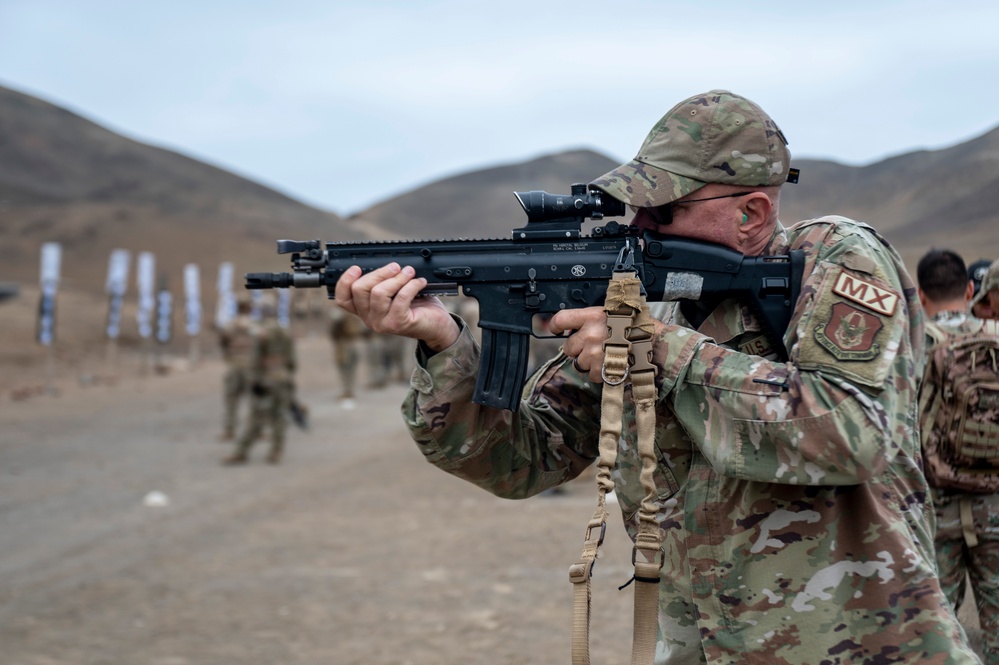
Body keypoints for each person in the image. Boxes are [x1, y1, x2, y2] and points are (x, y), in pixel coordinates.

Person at [334, 90, 980, 663]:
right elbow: (519, 461)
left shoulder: (830, 259)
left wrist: (658, 349)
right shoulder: (644, 304)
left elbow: (851, 432)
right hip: (701, 640)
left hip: (862, 640)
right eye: (632, 207)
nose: (637, 224)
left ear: (751, 212)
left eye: (659, 209)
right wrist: (445, 343)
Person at [917, 249, 999, 664]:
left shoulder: (914, 347)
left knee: (938, 632)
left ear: (920, 295)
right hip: (996, 504)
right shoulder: (996, 338)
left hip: (935, 510)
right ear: (970, 289)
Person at [223, 299, 297, 465]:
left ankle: (241, 451)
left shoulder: (260, 333)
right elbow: (292, 359)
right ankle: (276, 451)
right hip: (282, 378)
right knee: (280, 416)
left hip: (266, 380)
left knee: (256, 417)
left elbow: (255, 359)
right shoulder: (284, 331)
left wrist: (254, 380)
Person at [216, 296, 257, 441]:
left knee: (232, 400)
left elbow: (223, 342)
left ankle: (230, 430)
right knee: (255, 400)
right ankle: (256, 431)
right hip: (252, 367)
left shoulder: (231, 325)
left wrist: (229, 355)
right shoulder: (255, 325)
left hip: (234, 365)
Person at [329, 306, 365, 407]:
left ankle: (347, 391)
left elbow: (333, 333)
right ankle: (349, 390)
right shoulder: (354, 316)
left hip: (344, 345)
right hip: (352, 344)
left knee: (345, 370)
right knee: (349, 370)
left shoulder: (339, 316)